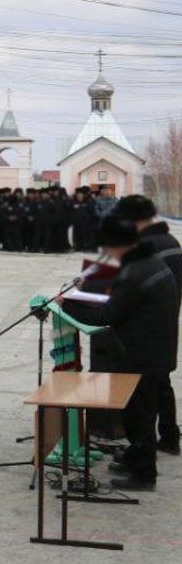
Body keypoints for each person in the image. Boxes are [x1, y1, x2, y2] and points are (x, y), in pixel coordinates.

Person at [64, 215, 179, 490]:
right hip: (154, 348)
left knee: (140, 415)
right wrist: (87, 284)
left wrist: (68, 306)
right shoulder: (142, 259)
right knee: (133, 411)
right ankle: (134, 456)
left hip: (143, 354)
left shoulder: (135, 269)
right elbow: (116, 287)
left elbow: (108, 313)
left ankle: (143, 475)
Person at [115, 195, 182, 456]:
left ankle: (144, 450)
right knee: (162, 382)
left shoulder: (145, 246)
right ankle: (169, 437)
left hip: (147, 325)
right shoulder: (169, 240)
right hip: (166, 318)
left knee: (144, 393)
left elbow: (135, 286)